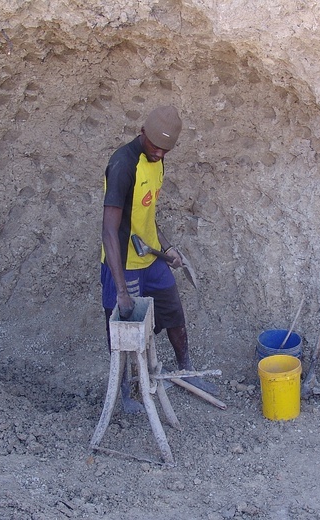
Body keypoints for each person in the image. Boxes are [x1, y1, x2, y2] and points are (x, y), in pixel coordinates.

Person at [101, 105, 216, 413]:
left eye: (166, 150)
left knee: (174, 312)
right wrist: (121, 290)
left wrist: (167, 248)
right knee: (125, 330)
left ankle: (185, 371)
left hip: (151, 259)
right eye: (156, 147)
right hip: (123, 264)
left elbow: (147, 215)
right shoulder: (123, 165)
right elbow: (109, 231)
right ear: (143, 133)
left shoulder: (157, 161)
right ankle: (122, 395)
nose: (160, 154)